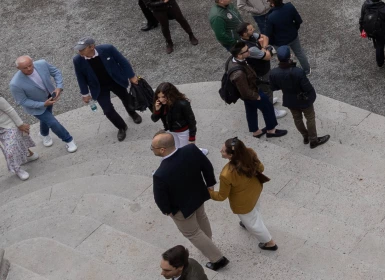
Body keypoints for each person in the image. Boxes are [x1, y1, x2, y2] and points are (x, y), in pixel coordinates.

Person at [150, 132, 227, 271]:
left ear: (162, 149)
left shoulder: (160, 174)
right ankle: (208, 242)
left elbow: (160, 198)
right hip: (199, 196)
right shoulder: (191, 150)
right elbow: (206, 165)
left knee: (193, 233)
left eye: (153, 148)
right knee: (202, 217)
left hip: (182, 209)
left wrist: (168, 211)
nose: (152, 149)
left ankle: (218, 259)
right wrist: (210, 184)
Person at [208, 137, 277, 252]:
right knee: (255, 209)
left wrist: (209, 192)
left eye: (223, 150)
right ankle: (247, 222)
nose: (221, 151)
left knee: (254, 224)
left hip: (242, 203)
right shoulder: (249, 153)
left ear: (231, 156)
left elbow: (221, 196)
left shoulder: (226, 174)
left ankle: (269, 242)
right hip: (255, 190)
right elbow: (261, 168)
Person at [71, 37, 144, 140]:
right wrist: (85, 93)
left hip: (115, 81)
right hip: (99, 88)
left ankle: (132, 113)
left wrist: (131, 76)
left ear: (92, 47)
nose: (79, 51)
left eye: (82, 49)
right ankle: (121, 127)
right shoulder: (77, 60)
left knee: (126, 99)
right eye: (79, 49)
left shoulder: (108, 49)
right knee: (108, 110)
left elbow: (123, 62)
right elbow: (80, 77)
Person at [9, 56, 75, 153]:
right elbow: (22, 101)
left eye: (30, 65)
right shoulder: (15, 84)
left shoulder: (42, 64)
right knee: (53, 122)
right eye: (25, 68)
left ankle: (44, 134)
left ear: (32, 62)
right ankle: (69, 140)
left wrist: (59, 87)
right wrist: (43, 104)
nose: (29, 69)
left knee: (46, 120)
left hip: (49, 97)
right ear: (18, 68)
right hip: (36, 107)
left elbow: (56, 72)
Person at [269, 46, 327, 148]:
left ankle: (305, 136)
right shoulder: (298, 71)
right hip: (304, 100)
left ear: (278, 59)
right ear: (290, 56)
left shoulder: (274, 73)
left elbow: (274, 87)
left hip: (290, 100)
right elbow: (307, 87)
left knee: (297, 119)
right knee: (310, 118)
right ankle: (313, 140)